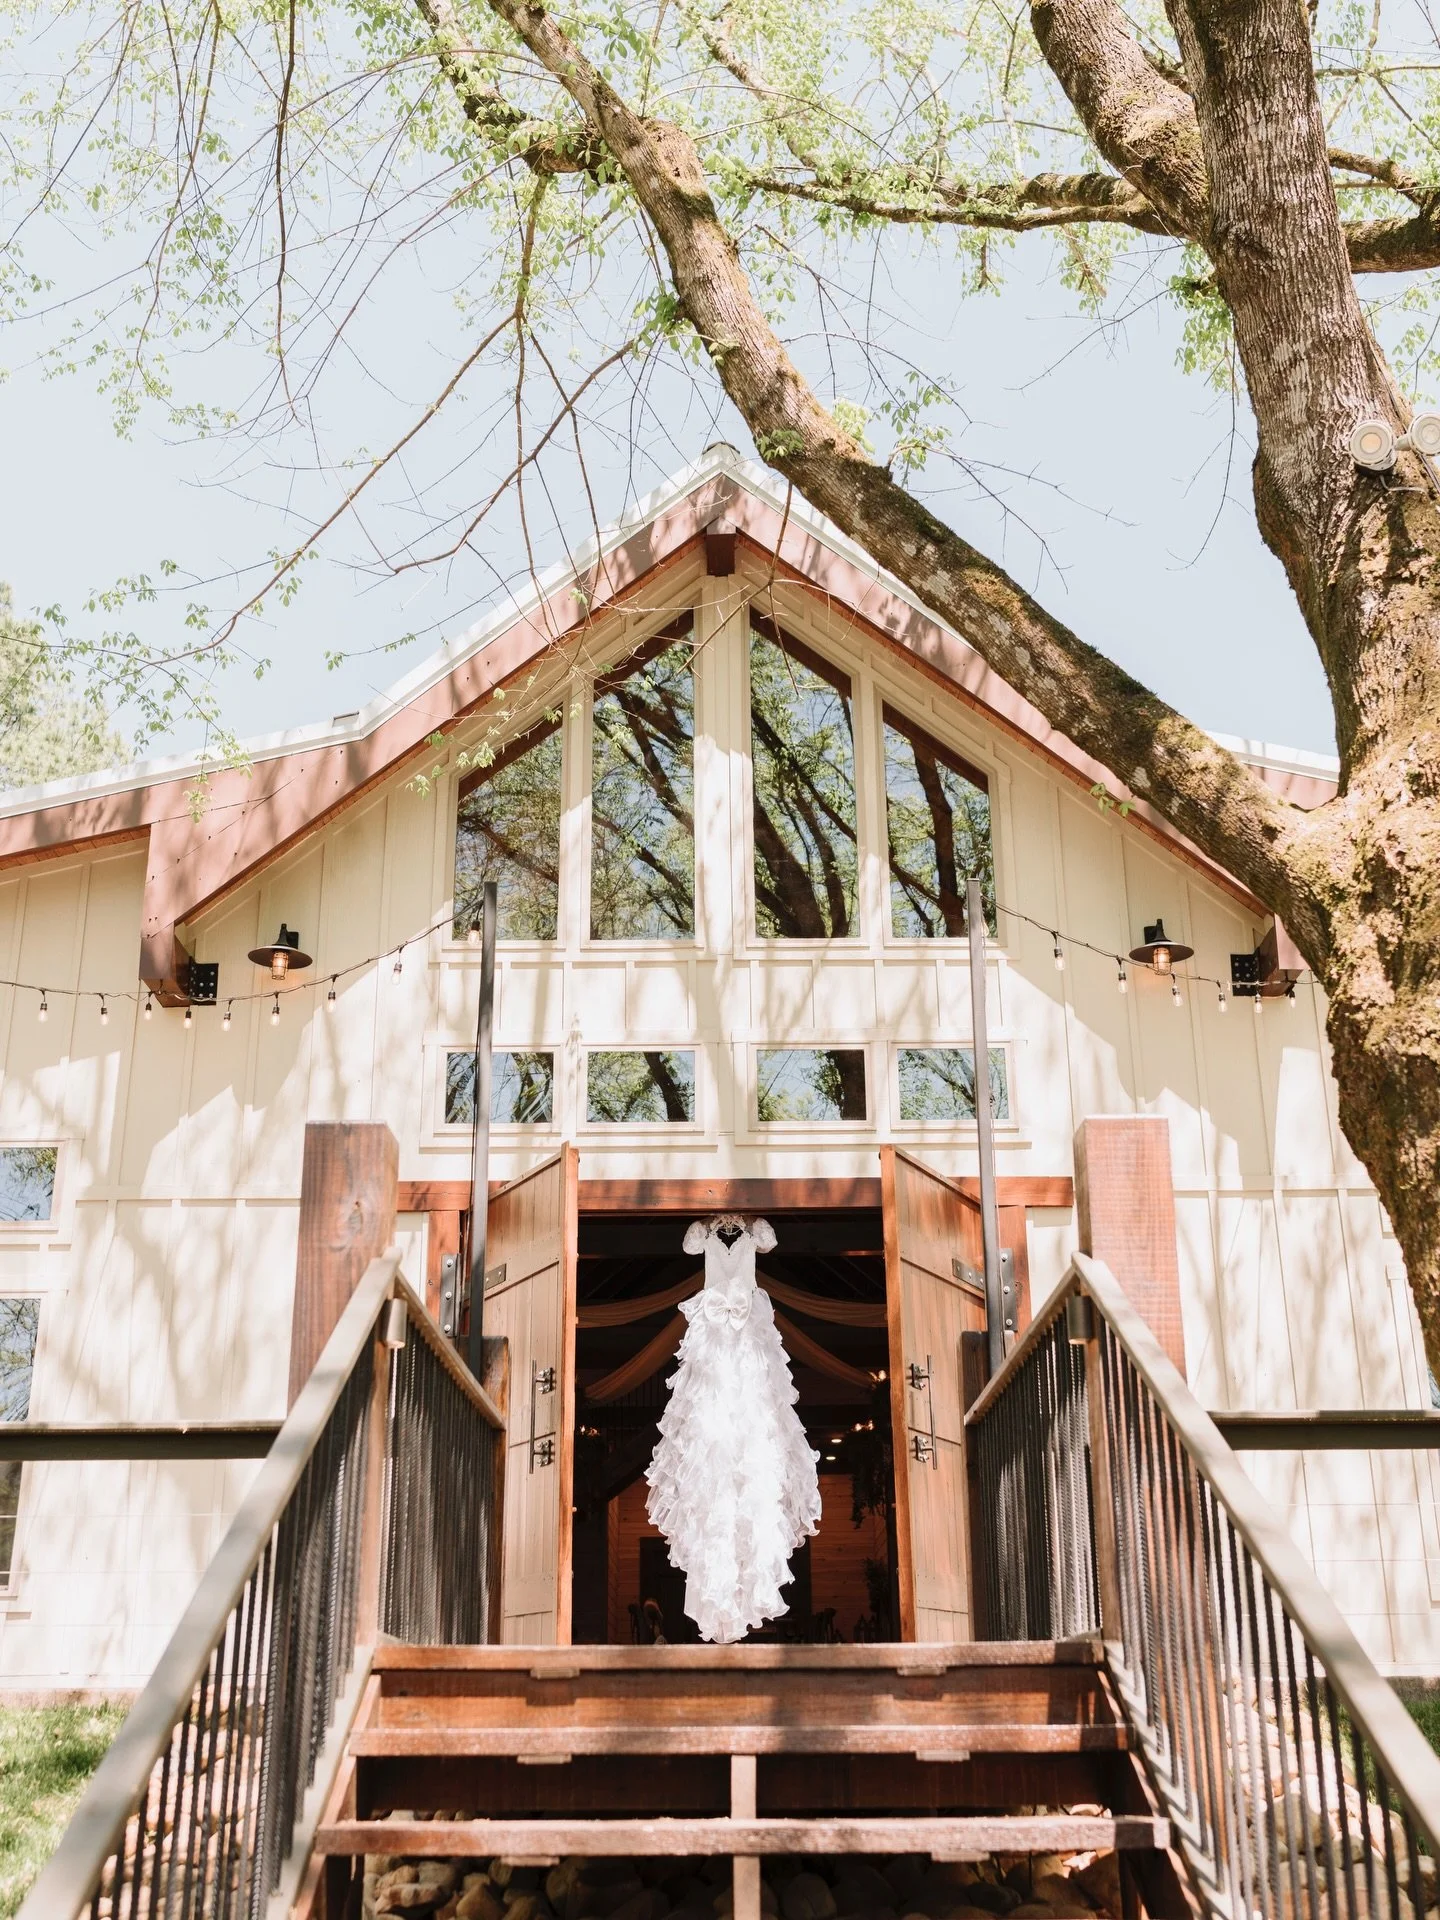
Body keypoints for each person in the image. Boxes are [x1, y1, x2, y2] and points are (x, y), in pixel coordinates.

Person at [646, 1215, 821, 1643]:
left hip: (746, 1345)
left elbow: (767, 1241)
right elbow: (692, 1247)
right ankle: (718, 1600)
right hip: (713, 1345)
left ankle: (743, 1593)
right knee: (712, 1452)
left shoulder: (752, 1233)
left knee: (752, 1440)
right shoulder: (704, 1236)